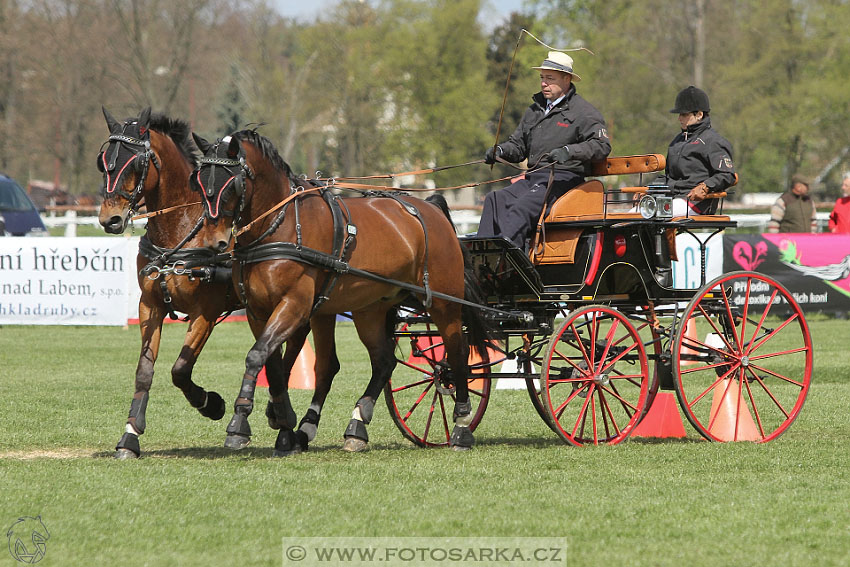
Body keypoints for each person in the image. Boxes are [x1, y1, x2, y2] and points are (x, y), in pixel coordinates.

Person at [476, 50, 611, 250]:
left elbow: (602, 146)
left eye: (550, 78)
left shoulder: (584, 112)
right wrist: (500, 151)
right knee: (494, 200)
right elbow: (518, 146)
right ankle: (482, 258)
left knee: (520, 209)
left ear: (566, 79)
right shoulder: (534, 110)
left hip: (564, 181)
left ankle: (512, 266)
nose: (543, 83)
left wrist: (568, 151)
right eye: (542, 78)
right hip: (533, 179)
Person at [659, 86, 736, 216]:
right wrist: (649, 190)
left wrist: (706, 186)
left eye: (684, 114)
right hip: (673, 199)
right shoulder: (677, 142)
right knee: (632, 214)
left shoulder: (713, 141)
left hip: (698, 203)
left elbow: (727, 175)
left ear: (699, 114)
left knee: (653, 214)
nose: (679, 118)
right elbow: (668, 178)